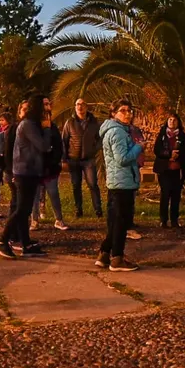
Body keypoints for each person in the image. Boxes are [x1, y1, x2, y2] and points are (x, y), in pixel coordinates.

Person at [0, 95, 49, 259]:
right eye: (43, 108)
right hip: (24, 172)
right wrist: (46, 129)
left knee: (24, 210)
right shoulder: (27, 125)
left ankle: (26, 244)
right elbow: (44, 146)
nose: (46, 111)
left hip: (30, 171)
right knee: (21, 209)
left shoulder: (31, 124)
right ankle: (2, 241)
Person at [96, 98, 142, 272]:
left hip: (121, 181)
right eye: (123, 110)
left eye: (129, 110)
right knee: (121, 223)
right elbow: (122, 159)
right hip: (121, 182)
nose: (128, 113)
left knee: (117, 222)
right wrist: (138, 147)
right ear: (113, 113)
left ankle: (105, 254)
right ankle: (117, 258)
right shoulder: (117, 132)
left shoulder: (119, 130)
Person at [62, 98, 103, 219]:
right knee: (76, 185)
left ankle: (98, 210)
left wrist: (94, 148)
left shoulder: (94, 122)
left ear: (86, 107)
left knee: (93, 184)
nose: (80, 107)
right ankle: (78, 209)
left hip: (88, 159)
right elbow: (64, 141)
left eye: (82, 104)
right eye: (77, 104)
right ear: (75, 107)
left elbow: (100, 138)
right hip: (73, 159)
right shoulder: (70, 122)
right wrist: (64, 159)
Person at [32, 98, 69, 231]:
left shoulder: (52, 127)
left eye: (49, 104)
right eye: (45, 104)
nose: (48, 107)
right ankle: (34, 220)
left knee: (53, 193)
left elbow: (58, 145)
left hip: (50, 167)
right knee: (34, 196)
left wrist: (55, 161)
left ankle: (59, 219)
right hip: (35, 167)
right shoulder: (33, 127)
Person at [152, 114, 185, 228]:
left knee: (176, 195)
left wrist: (178, 155)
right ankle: (163, 220)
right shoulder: (162, 135)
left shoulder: (183, 136)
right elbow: (157, 150)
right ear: (167, 121)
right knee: (165, 194)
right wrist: (169, 155)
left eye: (174, 120)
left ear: (178, 122)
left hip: (178, 170)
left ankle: (174, 219)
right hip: (164, 170)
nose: (172, 121)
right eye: (170, 119)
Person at [125, 123, 145, 240]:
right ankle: (125, 225)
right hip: (124, 169)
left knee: (131, 195)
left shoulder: (135, 130)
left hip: (134, 165)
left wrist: (140, 161)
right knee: (125, 197)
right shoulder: (118, 132)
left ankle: (130, 221)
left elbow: (141, 146)